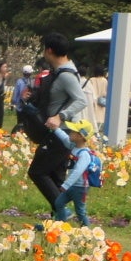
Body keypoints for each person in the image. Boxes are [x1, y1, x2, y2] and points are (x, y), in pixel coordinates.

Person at [17, 32, 86, 206]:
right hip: (59, 131)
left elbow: (81, 100)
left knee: (38, 172)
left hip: (62, 131)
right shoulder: (60, 72)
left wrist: (60, 116)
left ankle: (62, 211)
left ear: (48, 51)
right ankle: (59, 219)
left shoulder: (66, 75)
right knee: (55, 175)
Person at [52, 120, 96, 226]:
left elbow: (78, 172)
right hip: (72, 186)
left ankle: (87, 231)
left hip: (80, 187)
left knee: (80, 211)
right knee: (59, 203)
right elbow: (65, 139)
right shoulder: (74, 147)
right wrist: (55, 129)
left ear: (80, 136)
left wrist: (66, 185)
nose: (70, 133)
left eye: (73, 132)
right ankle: (61, 225)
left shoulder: (84, 154)